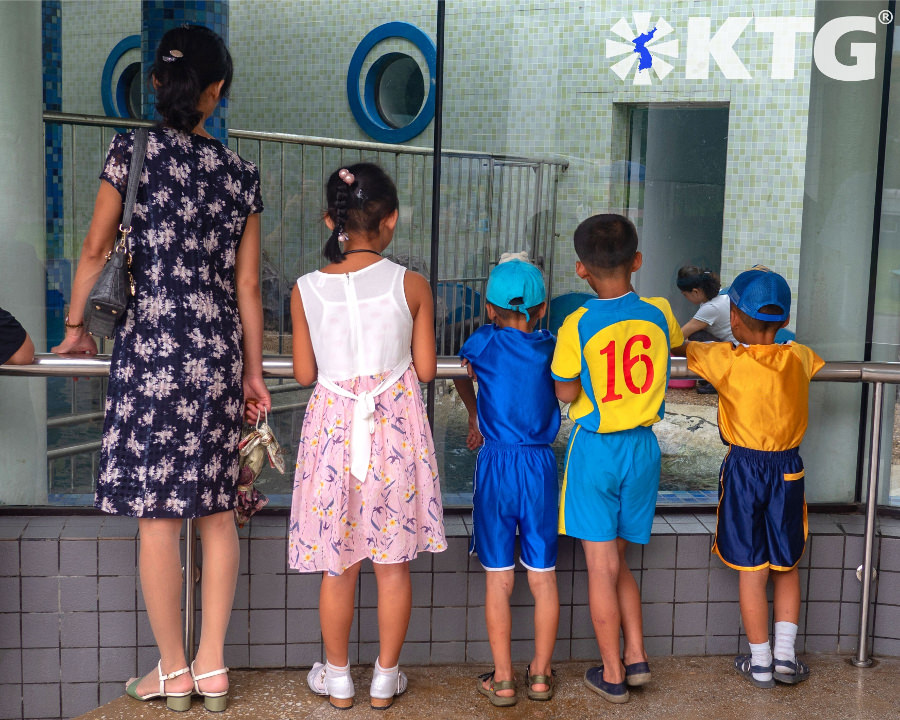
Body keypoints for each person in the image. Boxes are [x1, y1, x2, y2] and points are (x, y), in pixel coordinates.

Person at [52, 25, 270, 712]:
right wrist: (254, 374)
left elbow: (94, 246)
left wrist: (75, 325)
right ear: (216, 92)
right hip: (216, 354)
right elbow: (249, 288)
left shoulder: (131, 150)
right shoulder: (240, 174)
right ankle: (212, 668)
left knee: (156, 516)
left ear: (156, 85)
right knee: (213, 514)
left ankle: (172, 672)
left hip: (151, 352)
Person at [289, 163, 446, 710]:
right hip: (395, 430)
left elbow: (306, 375)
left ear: (331, 220)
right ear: (392, 219)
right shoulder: (413, 285)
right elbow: (426, 369)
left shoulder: (306, 289)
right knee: (392, 565)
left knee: (339, 564)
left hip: (334, 433)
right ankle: (385, 678)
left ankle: (337, 680)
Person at [551, 214, 683, 704]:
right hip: (645, 450)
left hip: (598, 448)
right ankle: (637, 656)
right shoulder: (659, 312)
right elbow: (674, 346)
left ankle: (611, 673)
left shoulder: (578, 323)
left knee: (600, 567)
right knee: (619, 562)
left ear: (581, 270)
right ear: (638, 261)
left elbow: (565, 391)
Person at [674, 265, 823, 688]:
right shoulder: (801, 357)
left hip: (744, 469)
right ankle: (786, 660)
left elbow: (683, 347)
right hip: (788, 469)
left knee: (752, 569)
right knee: (787, 565)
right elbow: (807, 357)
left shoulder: (725, 359)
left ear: (734, 317)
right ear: (785, 319)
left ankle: (759, 662)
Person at [453, 257, 560, 707]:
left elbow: (459, 373)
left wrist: (475, 412)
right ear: (541, 309)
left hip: (496, 466)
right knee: (543, 578)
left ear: (490, 309)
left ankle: (502, 678)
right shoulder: (552, 346)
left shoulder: (483, 343)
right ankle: (539, 674)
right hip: (539, 467)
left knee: (499, 578)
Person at [676, 266, 734, 394]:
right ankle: (710, 374)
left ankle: (717, 379)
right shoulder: (718, 295)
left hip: (732, 352)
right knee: (697, 335)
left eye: (685, 295)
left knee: (695, 336)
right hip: (733, 347)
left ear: (696, 292)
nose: (685, 298)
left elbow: (679, 336)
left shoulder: (711, 308)